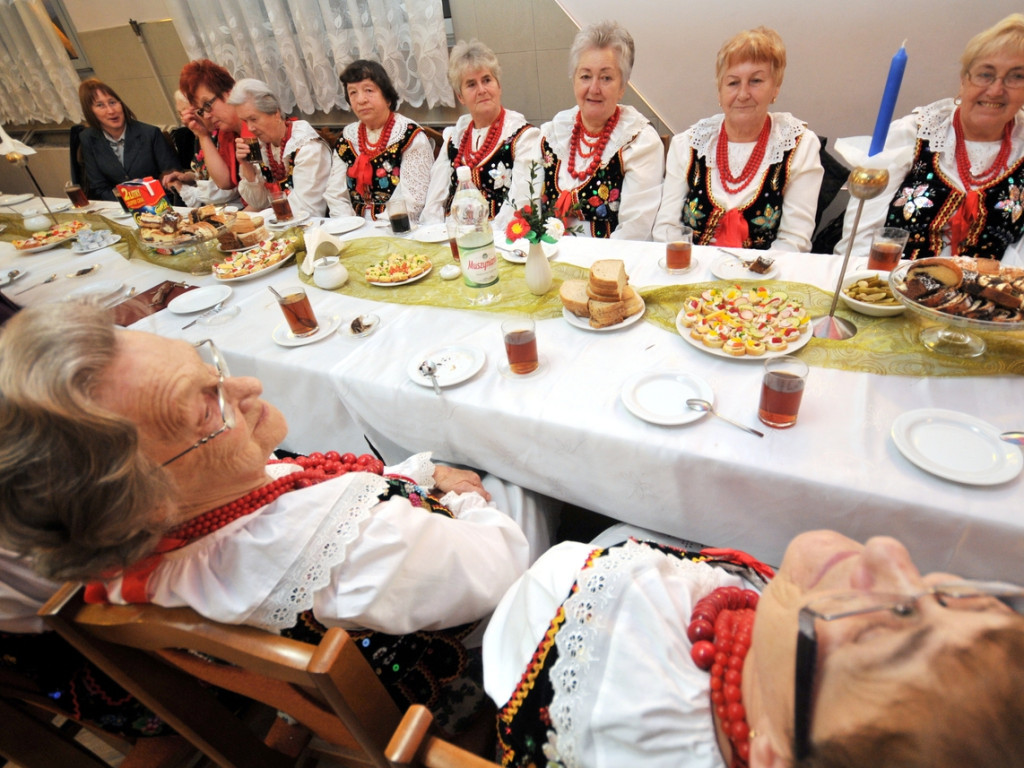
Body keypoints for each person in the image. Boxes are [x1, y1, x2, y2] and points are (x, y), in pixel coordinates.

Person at [0, 301, 555, 732]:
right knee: (531, 473)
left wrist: (420, 476)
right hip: (462, 667)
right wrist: (463, 495)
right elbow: (501, 567)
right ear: (143, 498)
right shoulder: (351, 546)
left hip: (395, 598)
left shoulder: (167, 532)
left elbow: (302, 478)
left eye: (208, 365)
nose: (247, 386)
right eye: (205, 406)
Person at [483, 529, 1024, 767]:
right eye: (960, 598)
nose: (889, 551)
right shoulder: (776, 667)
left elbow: (528, 598)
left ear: (772, 756)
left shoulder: (614, 628)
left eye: (877, 632)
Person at [836, 14, 1024, 264]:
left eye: (1016, 77)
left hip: (991, 292)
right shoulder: (914, 132)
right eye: (985, 74)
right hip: (895, 285)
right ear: (964, 81)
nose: (996, 89)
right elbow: (860, 238)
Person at [653, 27, 823, 251]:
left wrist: (746, 282)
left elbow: (794, 242)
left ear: (775, 88)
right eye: (733, 83)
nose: (743, 94)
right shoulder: (688, 145)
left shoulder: (799, 146)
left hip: (766, 279)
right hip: (692, 275)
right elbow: (666, 229)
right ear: (719, 92)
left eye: (756, 81)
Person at [536, 21, 663, 240]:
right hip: (549, 258)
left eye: (606, 78)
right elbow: (526, 208)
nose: (594, 89)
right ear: (574, 80)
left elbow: (635, 233)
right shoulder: (553, 133)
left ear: (622, 86)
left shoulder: (638, 142)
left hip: (608, 266)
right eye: (585, 76)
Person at [421, 40, 541, 233]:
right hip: (453, 238)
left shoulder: (523, 137)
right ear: (460, 96)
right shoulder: (455, 137)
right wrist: (435, 236)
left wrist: (481, 238)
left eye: (487, 80)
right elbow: (434, 202)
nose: (482, 90)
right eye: (471, 84)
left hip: (501, 241)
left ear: (499, 86)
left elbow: (521, 205)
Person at [325, 60, 435, 222]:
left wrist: (376, 229)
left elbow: (413, 201)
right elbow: (336, 195)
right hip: (354, 227)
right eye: (353, 92)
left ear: (387, 97)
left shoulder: (409, 136)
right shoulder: (347, 139)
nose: (361, 100)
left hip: (398, 227)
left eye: (369, 90)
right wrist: (350, 226)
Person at [229, 78, 334, 218]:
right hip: (282, 225)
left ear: (276, 113)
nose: (250, 128)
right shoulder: (265, 147)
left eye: (253, 119)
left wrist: (260, 217)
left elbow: (306, 210)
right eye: (245, 121)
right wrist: (246, 166)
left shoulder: (307, 148)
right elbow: (258, 202)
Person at [77, 78, 182, 202]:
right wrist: (128, 204)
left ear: (121, 104)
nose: (111, 111)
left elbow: (173, 177)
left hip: (158, 204)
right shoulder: (88, 138)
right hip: (119, 208)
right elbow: (99, 187)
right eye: (100, 105)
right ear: (90, 112)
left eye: (112, 102)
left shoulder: (150, 134)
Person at [166, 59, 246, 205]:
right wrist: (202, 135)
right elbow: (225, 182)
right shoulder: (226, 133)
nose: (207, 115)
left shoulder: (253, 125)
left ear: (229, 93)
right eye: (201, 110)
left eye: (208, 104)